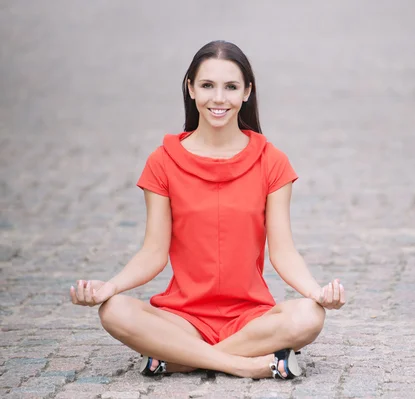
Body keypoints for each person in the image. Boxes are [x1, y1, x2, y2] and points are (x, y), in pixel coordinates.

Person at [69, 40, 346, 380]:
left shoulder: (272, 161)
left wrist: (316, 292)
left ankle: (175, 358)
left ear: (247, 92)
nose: (219, 98)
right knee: (113, 311)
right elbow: (153, 252)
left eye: (231, 87)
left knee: (309, 316)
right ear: (190, 89)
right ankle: (244, 365)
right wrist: (110, 287)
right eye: (207, 86)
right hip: (181, 318)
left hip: (250, 317)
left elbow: (284, 252)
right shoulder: (162, 162)